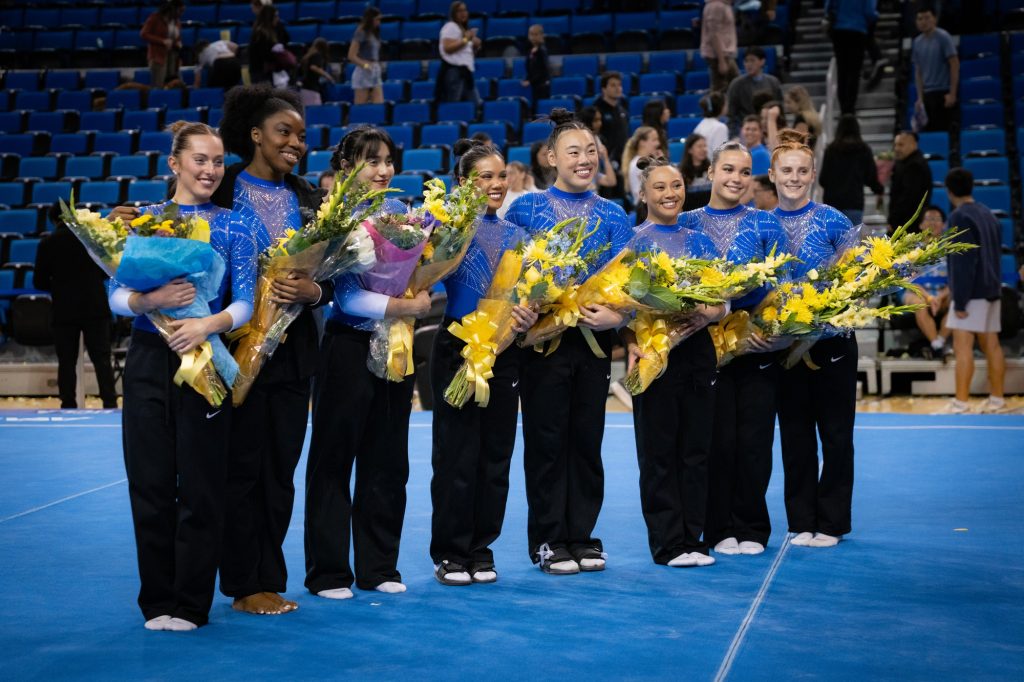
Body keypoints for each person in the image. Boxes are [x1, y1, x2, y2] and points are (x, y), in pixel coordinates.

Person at [108, 121, 256, 630]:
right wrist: (148, 302)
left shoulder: (237, 224)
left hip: (207, 357)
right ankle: (157, 599)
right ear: (175, 164)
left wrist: (207, 324)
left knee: (201, 482)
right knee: (148, 481)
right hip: (149, 358)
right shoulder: (145, 221)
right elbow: (115, 296)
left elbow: (246, 301)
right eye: (200, 160)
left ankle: (192, 602)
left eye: (217, 161)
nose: (210, 170)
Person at [209, 84, 329, 616]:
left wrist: (315, 291)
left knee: (281, 469)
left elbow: (330, 271)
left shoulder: (308, 196)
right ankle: (242, 582)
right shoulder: (223, 190)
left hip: (294, 353)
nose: (295, 143)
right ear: (255, 135)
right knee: (241, 469)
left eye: (301, 135)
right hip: (236, 349)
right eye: (284, 132)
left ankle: (270, 577)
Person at [505, 109, 632, 574]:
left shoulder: (616, 215)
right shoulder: (526, 209)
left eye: (590, 152)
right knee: (546, 441)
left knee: (586, 442)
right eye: (573, 152)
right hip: (541, 346)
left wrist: (617, 316)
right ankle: (548, 540)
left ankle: (582, 536)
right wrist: (524, 307)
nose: (583, 159)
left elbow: (631, 286)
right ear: (550, 157)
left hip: (593, 345)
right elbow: (510, 277)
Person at [304, 126, 424, 599]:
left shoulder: (406, 215)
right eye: (371, 161)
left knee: (388, 461)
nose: (383, 170)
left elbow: (417, 275)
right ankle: (328, 572)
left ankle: (379, 567)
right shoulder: (333, 216)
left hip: (395, 347)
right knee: (334, 459)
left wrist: (416, 293)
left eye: (388, 160)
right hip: (348, 348)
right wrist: (401, 307)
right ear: (346, 168)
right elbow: (346, 296)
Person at [430, 139, 538, 585]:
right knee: (456, 455)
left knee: (495, 457)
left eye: (500, 176)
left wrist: (529, 313)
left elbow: (527, 293)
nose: (495, 185)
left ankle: (480, 548)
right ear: (462, 183)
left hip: (504, 350)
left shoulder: (517, 235)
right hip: (457, 346)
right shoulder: (446, 228)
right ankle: (450, 552)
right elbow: (420, 281)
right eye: (484, 177)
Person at [680, 140, 788, 558]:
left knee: (755, 441)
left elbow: (783, 288)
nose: (736, 179)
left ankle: (752, 526)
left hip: (756, 347)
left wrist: (775, 330)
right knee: (715, 441)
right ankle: (718, 524)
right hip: (705, 349)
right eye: (728, 170)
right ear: (710, 172)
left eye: (744, 172)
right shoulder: (687, 222)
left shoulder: (766, 224)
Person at [625, 157, 726, 568]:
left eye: (677, 185)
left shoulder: (700, 240)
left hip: (697, 351)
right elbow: (621, 304)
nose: (670, 194)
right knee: (658, 451)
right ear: (643, 194)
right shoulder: (632, 241)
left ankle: (692, 538)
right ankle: (667, 543)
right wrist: (632, 341)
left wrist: (709, 313)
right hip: (653, 352)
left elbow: (723, 299)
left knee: (696, 449)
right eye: (661, 187)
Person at [769, 128, 860, 549]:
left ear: (812, 174)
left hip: (832, 341)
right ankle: (800, 519)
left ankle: (833, 521)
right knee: (795, 436)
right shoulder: (762, 223)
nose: (794, 177)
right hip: (784, 346)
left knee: (837, 435)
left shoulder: (833, 220)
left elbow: (856, 280)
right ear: (771, 175)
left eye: (801, 171)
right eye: (786, 170)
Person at [33, 204, 119, 409]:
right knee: (102, 358)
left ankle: (68, 403)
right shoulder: (90, 238)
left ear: (54, 221)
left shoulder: (47, 243)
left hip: (65, 309)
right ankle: (109, 401)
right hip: (94, 306)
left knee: (66, 360)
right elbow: (107, 270)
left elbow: (39, 282)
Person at [944, 168, 1006, 414]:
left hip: (972, 293)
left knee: (962, 347)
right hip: (992, 288)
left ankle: (961, 402)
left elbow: (963, 261)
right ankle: (998, 400)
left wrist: (960, 301)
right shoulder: (989, 214)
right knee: (992, 345)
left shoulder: (960, 216)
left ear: (948, 192)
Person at [818, 114, 885, 225]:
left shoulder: (831, 149)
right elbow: (870, 178)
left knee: (833, 240)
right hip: (854, 203)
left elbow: (822, 179)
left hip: (832, 204)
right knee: (853, 240)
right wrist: (879, 190)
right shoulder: (863, 149)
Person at [902, 205, 951, 356]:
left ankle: (940, 342)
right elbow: (908, 279)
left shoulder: (951, 248)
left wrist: (940, 297)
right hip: (916, 291)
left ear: (943, 224)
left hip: (943, 294)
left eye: (937, 219)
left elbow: (956, 280)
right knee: (919, 304)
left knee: (958, 301)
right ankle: (936, 345)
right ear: (921, 224)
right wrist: (928, 297)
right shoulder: (911, 249)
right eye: (929, 218)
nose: (933, 222)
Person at [824, 0, 878, 115]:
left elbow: (828, 6)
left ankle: (843, 108)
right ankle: (849, 108)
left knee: (842, 72)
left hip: (839, 30)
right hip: (858, 30)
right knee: (854, 72)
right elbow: (870, 12)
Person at [912, 4, 959, 132]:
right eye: (920, 19)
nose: (923, 22)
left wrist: (952, 93)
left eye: (927, 18)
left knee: (943, 131)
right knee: (928, 133)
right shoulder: (917, 42)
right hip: (928, 94)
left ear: (934, 19)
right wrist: (920, 98)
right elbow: (918, 72)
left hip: (943, 92)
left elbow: (954, 64)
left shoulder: (943, 37)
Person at [726, 46, 783, 137]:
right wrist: (734, 135)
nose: (749, 64)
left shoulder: (773, 82)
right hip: (747, 132)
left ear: (762, 61)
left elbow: (780, 109)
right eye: (746, 61)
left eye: (752, 60)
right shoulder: (736, 84)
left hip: (769, 131)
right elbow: (731, 114)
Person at [888, 131, 932, 233]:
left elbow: (908, 198)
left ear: (913, 144)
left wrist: (894, 221)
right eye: (895, 145)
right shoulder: (904, 162)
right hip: (904, 223)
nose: (896, 148)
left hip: (908, 225)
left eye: (901, 145)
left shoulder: (915, 165)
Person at [438, 1, 481, 104]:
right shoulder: (450, 26)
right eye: (459, 11)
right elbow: (447, 48)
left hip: (465, 72)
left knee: (475, 105)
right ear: (453, 13)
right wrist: (466, 40)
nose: (463, 13)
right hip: (454, 73)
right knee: (454, 105)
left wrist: (475, 46)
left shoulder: (463, 30)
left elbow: (465, 56)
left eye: (465, 10)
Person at [140, 0, 184, 89]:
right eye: (180, 11)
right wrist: (162, 41)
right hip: (158, 56)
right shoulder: (155, 18)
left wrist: (178, 42)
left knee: (173, 82)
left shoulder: (177, 22)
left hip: (173, 56)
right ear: (173, 9)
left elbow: (176, 37)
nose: (181, 13)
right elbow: (144, 34)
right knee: (158, 84)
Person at [701, 0, 740, 94]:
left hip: (726, 54)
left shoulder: (726, 6)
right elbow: (713, 34)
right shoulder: (716, 6)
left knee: (736, 85)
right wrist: (721, 60)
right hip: (718, 55)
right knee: (719, 91)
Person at [578, 105, 619, 192]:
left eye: (600, 120)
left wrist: (606, 158)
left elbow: (611, 182)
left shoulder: (598, 139)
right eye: (595, 120)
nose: (600, 123)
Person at [249, 4, 293, 86]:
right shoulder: (259, 34)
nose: (277, 19)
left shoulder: (277, 28)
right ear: (269, 17)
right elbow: (262, 54)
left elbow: (286, 38)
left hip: (273, 71)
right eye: (275, 16)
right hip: (261, 72)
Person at [349, 7, 384, 105]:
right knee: (360, 107)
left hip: (375, 71)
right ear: (371, 19)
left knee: (379, 106)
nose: (379, 22)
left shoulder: (375, 33)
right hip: (363, 71)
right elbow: (351, 55)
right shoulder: (361, 32)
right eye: (377, 19)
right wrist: (365, 65)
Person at [594, 71, 630, 165]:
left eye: (619, 85)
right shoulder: (597, 110)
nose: (618, 88)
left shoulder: (623, 109)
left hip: (623, 159)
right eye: (613, 85)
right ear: (604, 89)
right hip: (604, 160)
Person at [622, 126, 664, 207]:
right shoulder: (638, 164)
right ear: (642, 142)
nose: (658, 143)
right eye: (654, 140)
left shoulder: (650, 161)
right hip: (643, 209)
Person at [298, 38, 334, 105]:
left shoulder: (309, 56)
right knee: (315, 110)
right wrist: (327, 76)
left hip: (305, 87)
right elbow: (313, 67)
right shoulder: (317, 55)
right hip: (311, 89)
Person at [523, 23, 551, 106]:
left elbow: (543, 70)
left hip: (542, 86)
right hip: (534, 86)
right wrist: (527, 78)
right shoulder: (529, 50)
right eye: (531, 34)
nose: (533, 37)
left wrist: (530, 81)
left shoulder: (542, 51)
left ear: (541, 35)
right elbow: (530, 69)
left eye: (536, 34)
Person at [694, 92, 729, 156]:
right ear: (721, 106)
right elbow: (720, 156)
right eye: (726, 104)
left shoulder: (700, 125)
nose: (727, 106)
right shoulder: (720, 127)